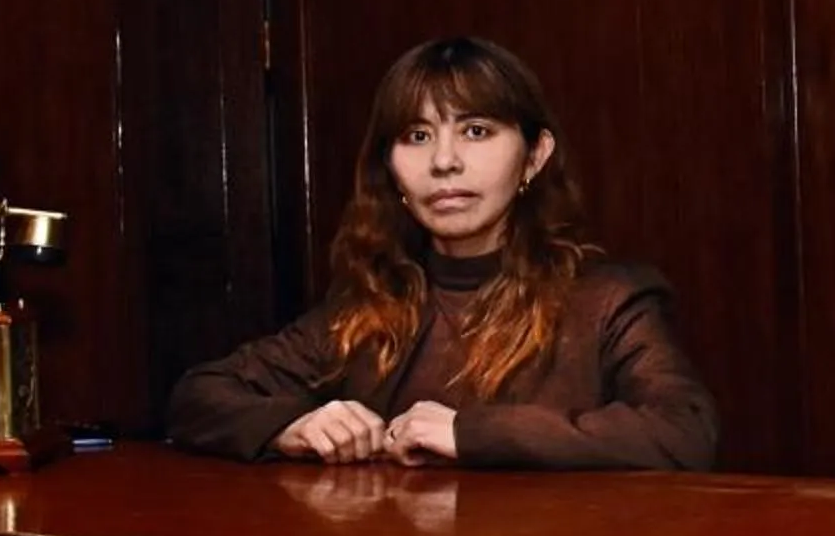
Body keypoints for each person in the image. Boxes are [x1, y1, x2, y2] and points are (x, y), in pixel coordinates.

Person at [164, 37, 717, 470]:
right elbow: (198, 396)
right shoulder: (373, 305)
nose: (444, 162)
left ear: (534, 155)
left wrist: (469, 433)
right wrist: (290, 425)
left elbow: (684, 433)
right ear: (392, 167)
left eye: (476, 131)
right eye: (417, 136)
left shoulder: (608, 301)